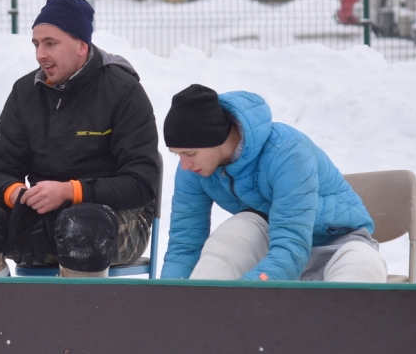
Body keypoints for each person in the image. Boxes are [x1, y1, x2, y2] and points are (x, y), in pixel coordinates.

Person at [0, 0, 160, 277]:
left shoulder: (123, 91)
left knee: (80, 226)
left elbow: (142, 184)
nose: (40, 54)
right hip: (44, 215)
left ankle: (75, 320)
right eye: (36, 44)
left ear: (82, 45)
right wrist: (18, 195)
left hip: (115, 220)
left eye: (50, 44)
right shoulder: (25, 92)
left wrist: (70, 192)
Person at [159, 84, 388, 282]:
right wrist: (169, 299)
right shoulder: (193, 169)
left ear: (216, 140)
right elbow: (184, 245)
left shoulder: (287, 152)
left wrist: (244, 292)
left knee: (361, 269)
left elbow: (291, 245)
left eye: (190, 153)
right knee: (238, 229)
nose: (185, 164)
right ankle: (199, 315)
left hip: (338, 244)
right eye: (176, 154)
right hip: (271, 244)